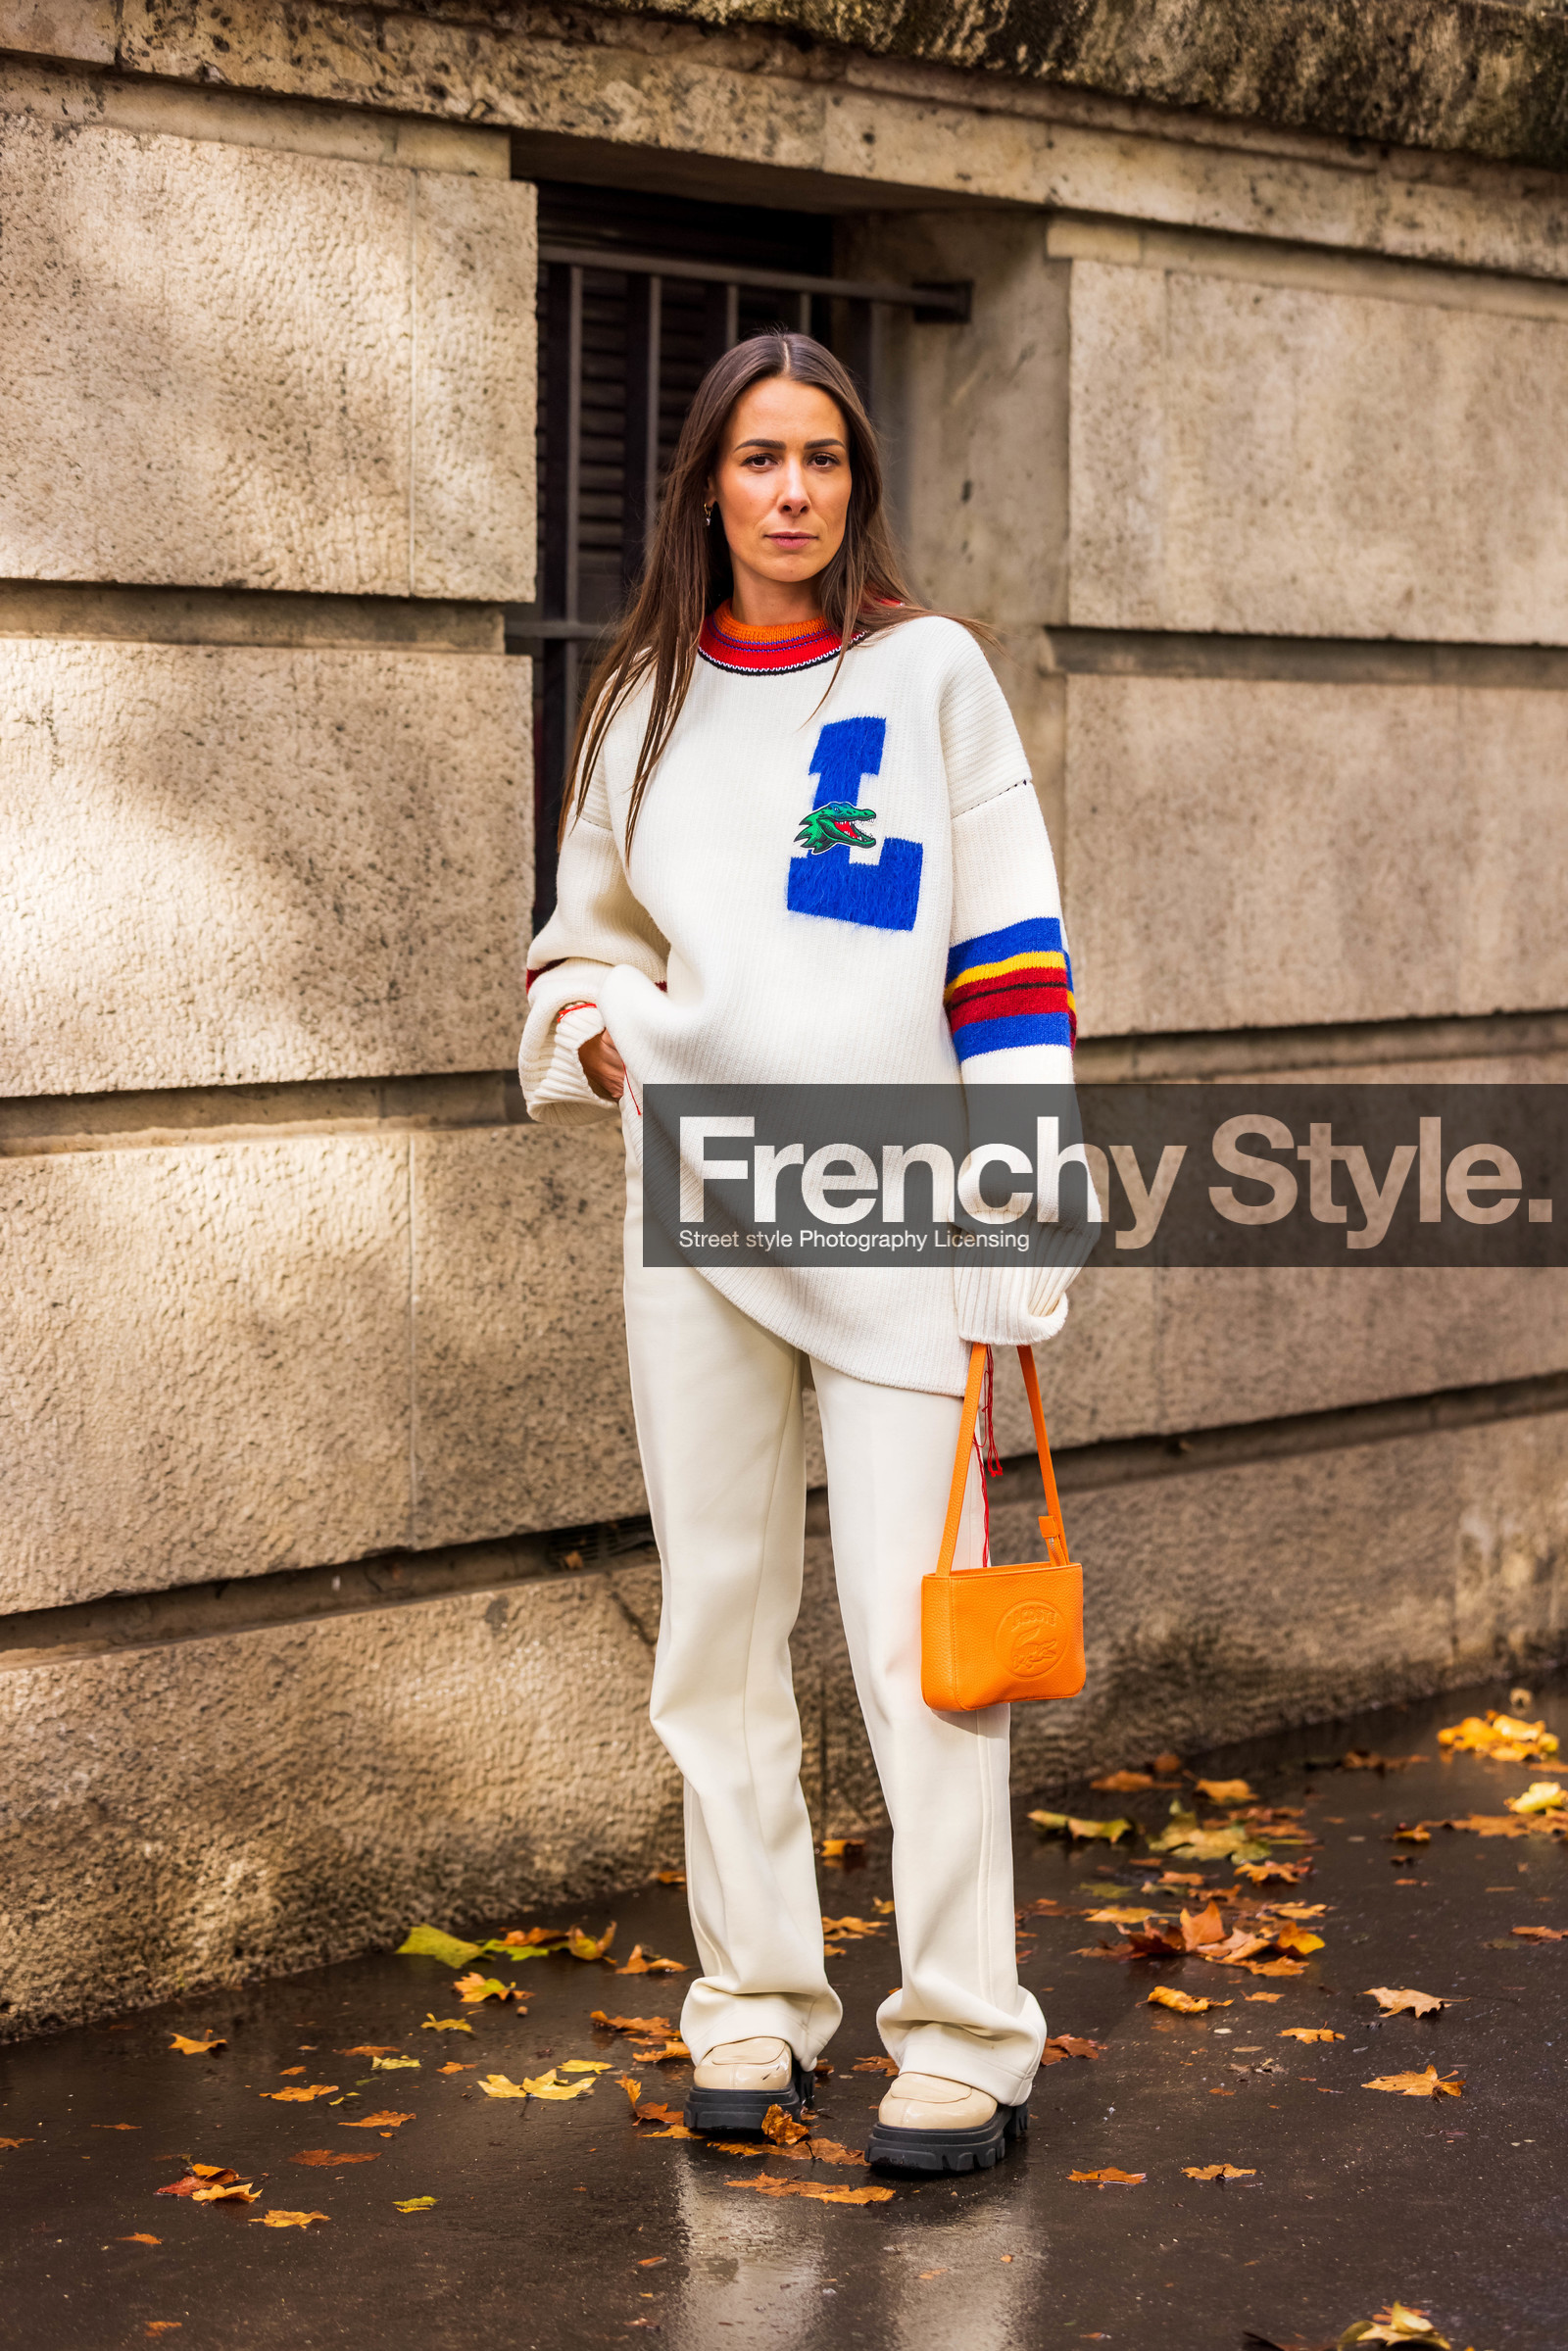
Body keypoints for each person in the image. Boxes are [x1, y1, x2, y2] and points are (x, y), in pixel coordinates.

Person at [519, 333, 1088, 2175]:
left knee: (923, 1650)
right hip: (694, 1208)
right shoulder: (640, 704)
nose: (790, 492)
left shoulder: (930, 679)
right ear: (705, 485)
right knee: (714, 1632)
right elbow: (575, 940)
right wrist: (603, 1036)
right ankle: (753, 2009)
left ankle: (967, 2034)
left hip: (899, 1212)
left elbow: (1007, 956)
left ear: (856, 485)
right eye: (758, 459)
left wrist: (1017, 1205)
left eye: (822, 460)